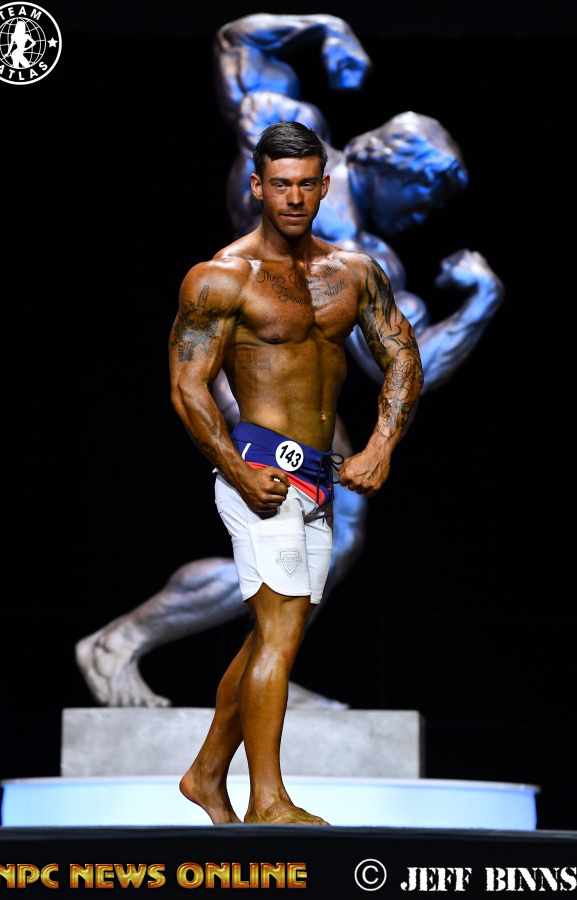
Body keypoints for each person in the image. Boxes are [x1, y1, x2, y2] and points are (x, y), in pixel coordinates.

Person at [75, 16, 503, 712]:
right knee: (290, 529)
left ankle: (261, 665)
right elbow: (234, 44)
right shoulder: (325, 199)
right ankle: (122, 642)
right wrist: (480, 303)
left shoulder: (353, 234)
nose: (424, 216)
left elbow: (404, 365)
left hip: (296, 385)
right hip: (247, 370)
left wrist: (326, 32)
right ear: (399, 169)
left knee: (335, 534)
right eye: (427, 196)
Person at [171, 121, 423, 826]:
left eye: (306, 184)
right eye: (280, 184)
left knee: (275, 634)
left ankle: (206, 773)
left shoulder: (353, 272)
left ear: (324, 186)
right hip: (259, 471)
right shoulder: (222, 277)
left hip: (318, 479)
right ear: (258, 186)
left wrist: (381, 444)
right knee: (280, 632)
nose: (293, 197)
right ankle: (268, 801)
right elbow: (187, 387)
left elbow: (402, 354)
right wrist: (237, 472)